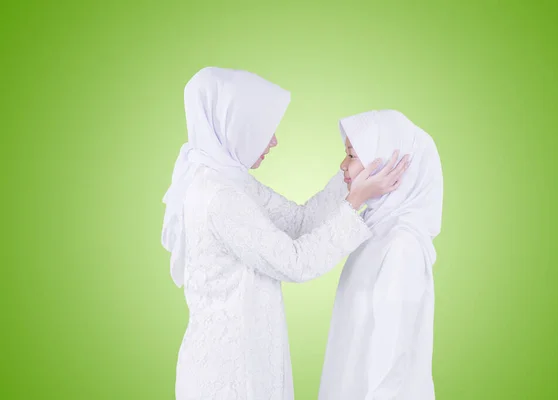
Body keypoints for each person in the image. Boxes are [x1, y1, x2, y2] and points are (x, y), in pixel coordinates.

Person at [160, 68, 410, 399]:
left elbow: (298, 221)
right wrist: (355, 200)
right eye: (265, 129)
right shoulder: (218, 197)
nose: (275, 140)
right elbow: (295, 263)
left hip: (244, 363)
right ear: (236, 125)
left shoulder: (228, 180)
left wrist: (351, 174)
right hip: (229, 377)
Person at [318, 110, 443, 400]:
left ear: (387, 164)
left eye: (351, 155)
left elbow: (392, 358)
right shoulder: (372, 232)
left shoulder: (402, 245)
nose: (342, 165)